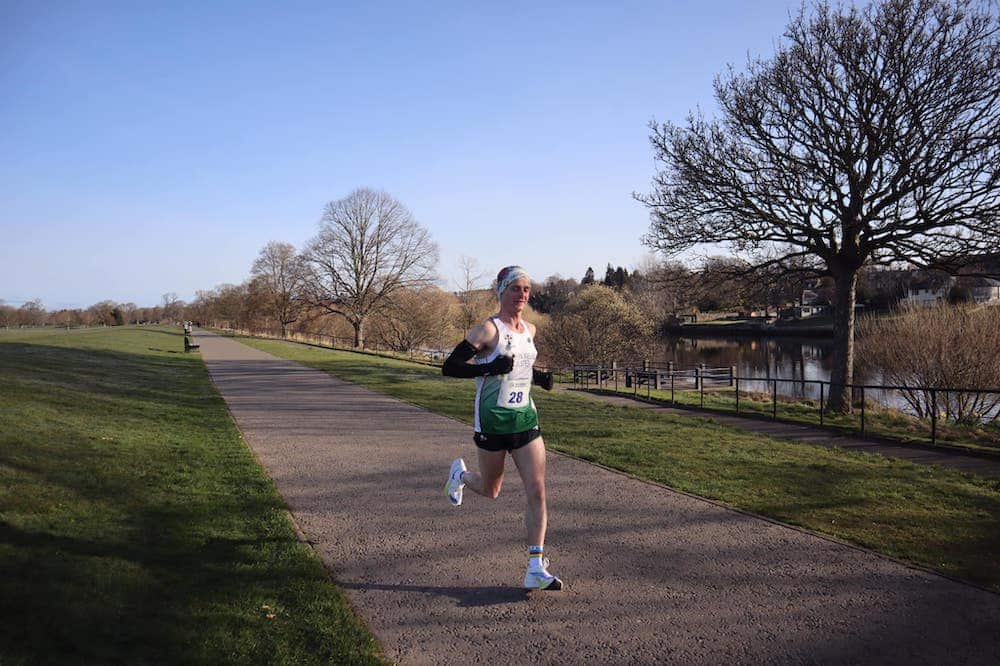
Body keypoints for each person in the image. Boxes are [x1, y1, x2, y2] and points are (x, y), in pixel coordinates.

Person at [441, 265, 562, 591]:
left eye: (526, 289)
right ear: (502, 291)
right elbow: (449, 368)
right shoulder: (487, 331)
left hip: (525, 420)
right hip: (492, 422)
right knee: (491, 490)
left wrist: (540, 378)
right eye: (515, 288)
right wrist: (490, 367)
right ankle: (461, 477)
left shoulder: (530, 330)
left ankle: (535, 566)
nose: (522, 294)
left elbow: (519, 368)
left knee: (537, 490)